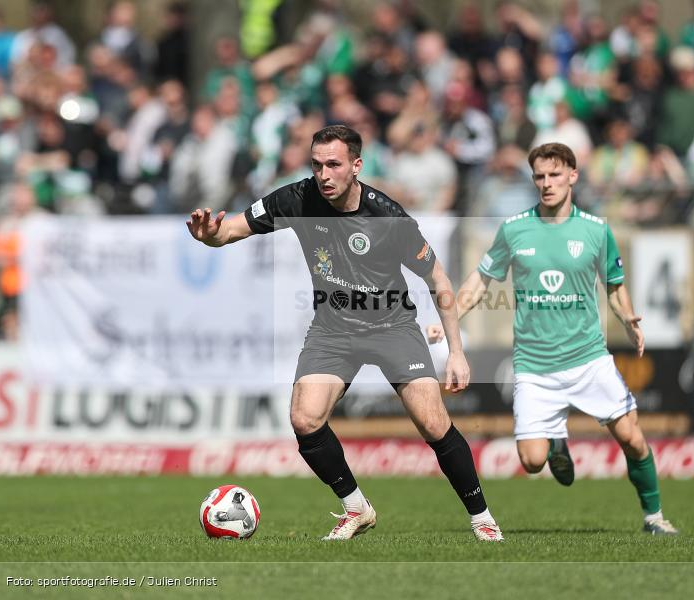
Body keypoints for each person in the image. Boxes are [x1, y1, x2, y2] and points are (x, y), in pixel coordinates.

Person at [186, 125, 502, 542]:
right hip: (333, 329)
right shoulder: (297, 198)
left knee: (433, 424)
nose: (323, 175)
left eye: (333, 165)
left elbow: (438, 279)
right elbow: (230, 230)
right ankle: (357, 509)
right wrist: (211, 237)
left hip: (392, 326)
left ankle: (482, 518)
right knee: (305, 419)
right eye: (317, 165)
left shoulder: (387, 216)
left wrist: (456, 352)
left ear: (356, 166)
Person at [427, 142, 678, 535]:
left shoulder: (595, 230)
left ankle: (654, 517)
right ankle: (557, 444)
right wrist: (449, 320)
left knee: (632, 438)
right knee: (531, 460)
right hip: (534, 365)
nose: (547, 183)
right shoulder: (514, 229)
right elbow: (480, 282)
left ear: (573, 176)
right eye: (539, 176)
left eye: (555, 175)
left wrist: (628, 320)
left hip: (588, 358)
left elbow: (614, 285)